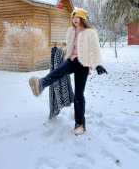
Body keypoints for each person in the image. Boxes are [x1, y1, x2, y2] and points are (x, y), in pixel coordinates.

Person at [29, 7, 107, 136]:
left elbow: (95, 50)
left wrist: (98, 64)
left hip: (83, 64)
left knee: (79, 95)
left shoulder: (90, 32)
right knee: (58, 71)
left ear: (82, 19)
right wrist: (61, 51)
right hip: (71, 60)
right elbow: (70, 47)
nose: (74, 19)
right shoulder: (71, 31)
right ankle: (40, 84)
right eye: (73, 17)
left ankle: (80, 124)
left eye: (77, 17)